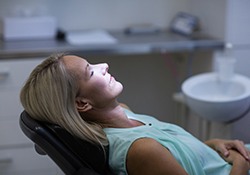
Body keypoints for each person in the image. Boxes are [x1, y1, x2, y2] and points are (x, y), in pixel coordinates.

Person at [20, 53, 250, 175]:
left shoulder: (126, 115)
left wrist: (213, 145)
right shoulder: (141, 150)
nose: (105, 65)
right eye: (91, 72)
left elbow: (176, 154)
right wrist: (241, 163)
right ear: (82, 103)